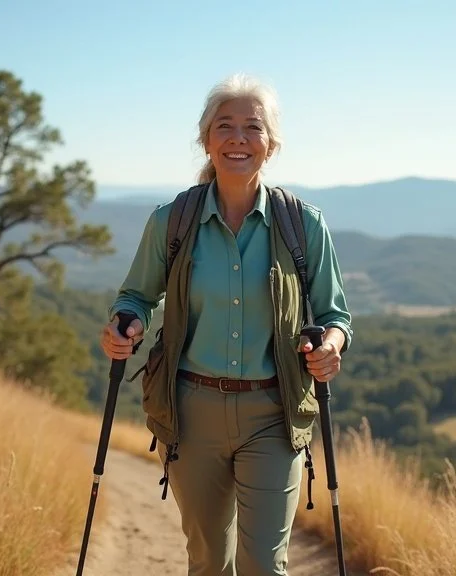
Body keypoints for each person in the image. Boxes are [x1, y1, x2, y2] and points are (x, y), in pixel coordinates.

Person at [99, 73, 353, 576]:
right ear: (206, 140)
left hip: (274, 413)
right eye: (225, 126)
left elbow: (334, 315)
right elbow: (136, 297)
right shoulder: (172, 221)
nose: (239, 138)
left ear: (271, 144)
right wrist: (124, 324)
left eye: (253, 127)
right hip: (189, 413)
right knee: (210, 562)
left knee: (265, 566)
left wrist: (332, 344)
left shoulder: (304, 224)